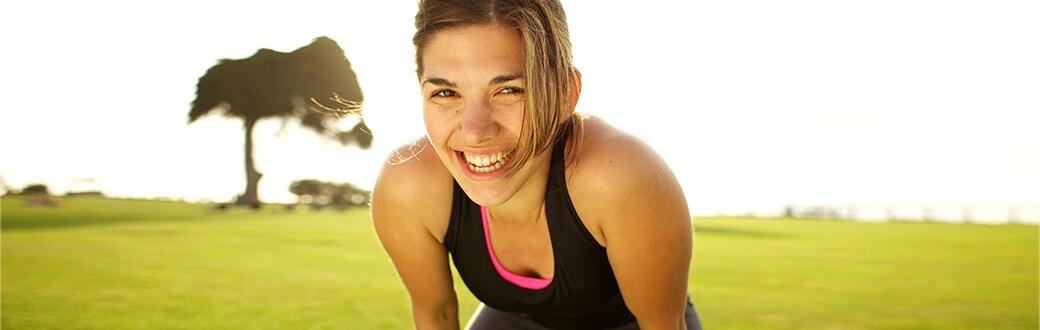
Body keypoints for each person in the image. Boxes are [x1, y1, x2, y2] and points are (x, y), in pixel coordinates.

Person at [371, 0, 703, 328]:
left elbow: (662, 324)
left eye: (509, 90)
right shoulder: (408, 186)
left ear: (564, 95)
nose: (474, 132)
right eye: (445, 93)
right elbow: (437, 316)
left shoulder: (619, 176)